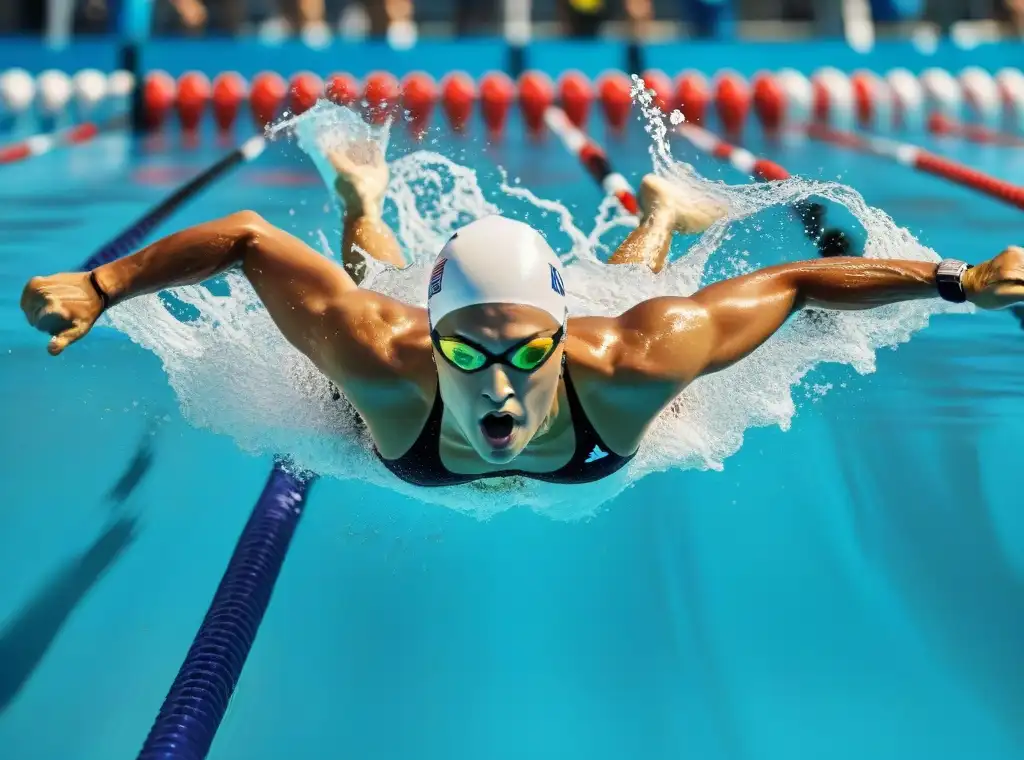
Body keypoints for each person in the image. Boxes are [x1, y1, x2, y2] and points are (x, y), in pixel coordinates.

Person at [20, 140, 1024, 487]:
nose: (496, 385)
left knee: (638, 298)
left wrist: (957, 281)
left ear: (555, 338)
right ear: (435, 338)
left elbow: (797, 285)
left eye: (521, 351)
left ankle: (660, 215)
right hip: (402, 345)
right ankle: (363, 196)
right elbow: (244, 237)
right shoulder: (390, 356)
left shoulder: (631, 364)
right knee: (370, 288)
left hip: (602, 342)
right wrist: (103, 287)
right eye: (467, 350)